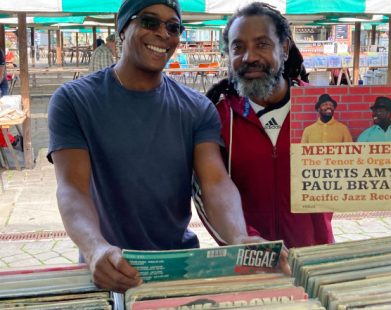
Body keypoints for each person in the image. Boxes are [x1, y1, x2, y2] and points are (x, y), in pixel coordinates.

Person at [48, 0, 262, 293]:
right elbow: (72, 188)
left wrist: (238, 239)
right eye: (149, 22)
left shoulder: (197, 108)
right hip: (109, 266)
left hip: (176, 268)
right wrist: (95, 247)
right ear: (122, 28)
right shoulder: (74, 101)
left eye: (173, 27)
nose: (163, 33)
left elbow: (215, 182)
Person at [201, 2, 391, 250]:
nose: (249, 56)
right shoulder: (219, 117)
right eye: (238, 47)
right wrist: (244, 239)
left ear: (285, 48)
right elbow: (209, 192)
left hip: (315, 256)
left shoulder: (321, 105)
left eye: (262, 44)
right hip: (249, 258)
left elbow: (362, 170)